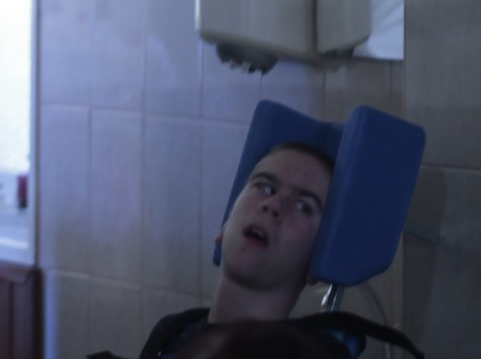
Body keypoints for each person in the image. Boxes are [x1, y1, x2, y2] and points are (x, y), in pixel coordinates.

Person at [92, 142, 421, 359]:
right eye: (265, 186)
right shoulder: (174, 331)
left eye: (304, 206)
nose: (274, 204)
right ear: (224, 226)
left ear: (317, 260)